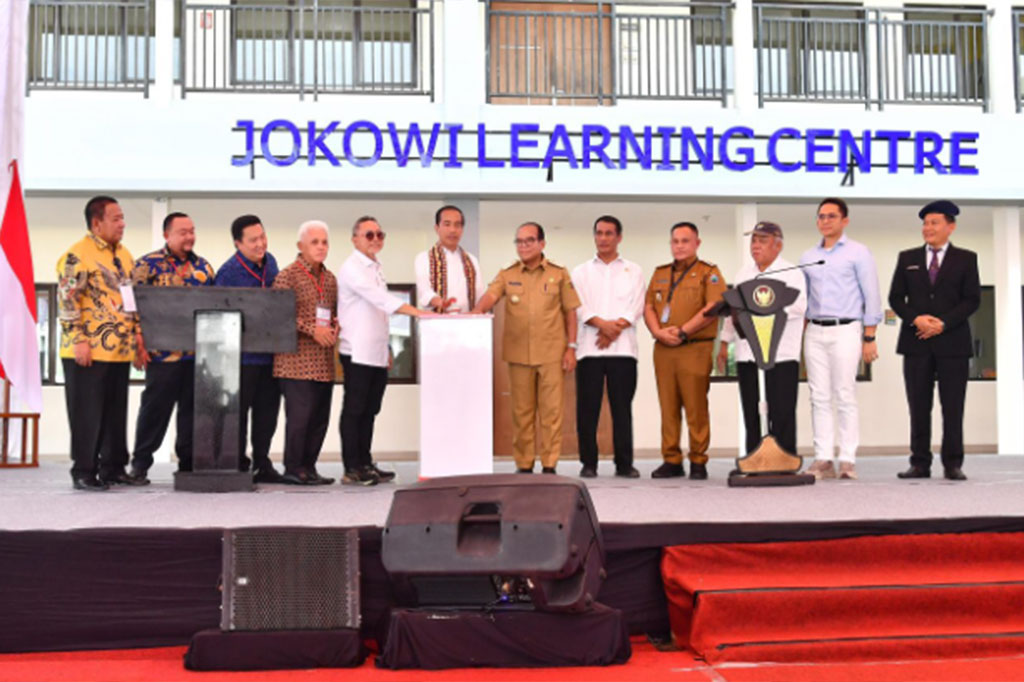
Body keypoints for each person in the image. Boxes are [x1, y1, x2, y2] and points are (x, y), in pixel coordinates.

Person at [472, 222, 580, 474]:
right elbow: (491, 295)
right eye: (519, 241)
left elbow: (570, 312)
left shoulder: (559, 274)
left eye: (529, 240)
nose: (523, 246)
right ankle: (524, 464)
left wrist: (571, 347)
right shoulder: (507, 274)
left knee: (552, 413)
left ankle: (550, 464)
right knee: (521, 413)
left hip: (552, 354)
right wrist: (478, 310)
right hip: (519, 354)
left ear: (542, 244)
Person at [889, 200, 980, 481]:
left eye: (934, 223)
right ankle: (919, 463)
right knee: (918, 405)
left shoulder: (966, 258)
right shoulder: (907, 258)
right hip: (916, 342)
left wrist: (942, 323)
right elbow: (895, 298)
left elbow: (972, 299)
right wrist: (916, 319)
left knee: (953, 406)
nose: (928, 228)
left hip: (953, 343)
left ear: (950, 227)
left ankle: (953, 463)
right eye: (925, 223)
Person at [338, 216, 430, 485]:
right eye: (369, 235)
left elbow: (378, 313)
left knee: (370, 410)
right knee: (355, 410)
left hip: (376, 350)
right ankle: (352, 467)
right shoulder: (352, 267)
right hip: (356, 351)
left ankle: (365, 462)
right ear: (355, 239)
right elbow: (382, 299)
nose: (376, 239)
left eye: (380, 234)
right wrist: (417, 312)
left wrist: (387, 346)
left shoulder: (376, 267)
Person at [56, 196, 140, 491]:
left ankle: (113, 468)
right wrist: (78, 339)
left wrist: (137, 341)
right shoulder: (77, 256)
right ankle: (83, 470)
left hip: (118, 351)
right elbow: (67, 302)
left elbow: (131, 302)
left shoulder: (125, 256)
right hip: (86, 350)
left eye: (122, 218)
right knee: (87, 413)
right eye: (115, 218)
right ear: (96, 223)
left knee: (115, 413)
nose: (122, 224)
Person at [129, 212, 215, 482]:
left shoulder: (204, 269)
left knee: (192, 412)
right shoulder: (147, 265)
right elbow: (132, 307)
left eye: (192, 231)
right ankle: (140, 464)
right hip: (161, 355)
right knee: (155, 411)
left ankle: (188, 464)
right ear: (167, 235)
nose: (189, 237)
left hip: (196, 355)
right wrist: (137, 340)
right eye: (182, 232)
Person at [800, 198, 882, 480]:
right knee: (818, 396)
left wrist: (869, 335)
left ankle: (847, 458)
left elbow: (871, 294)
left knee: (845, 394)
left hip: (847, 329)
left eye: (831, 216)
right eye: (821, 216)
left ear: (844, 220)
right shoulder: (807, 256)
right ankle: (823, 457)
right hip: (814, 330)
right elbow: (803, 298)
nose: (825, 221)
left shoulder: (858, 253)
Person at [644, 222, 727, 480]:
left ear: (697, 244)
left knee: (695, 407)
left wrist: (683, 332)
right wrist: (658, 332)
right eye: (675, 241)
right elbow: (647, 306)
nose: (679, 246)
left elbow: (713, 307)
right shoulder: (659, 273)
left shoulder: (709, 272)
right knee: (667, 407)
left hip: (694, 348)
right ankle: (671, 459)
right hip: (663, 349)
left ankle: (698, 460)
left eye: (685, 241)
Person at [717, 221, 807, 457]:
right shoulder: (744, 272)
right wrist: (725, 342)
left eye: (762, 240)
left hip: (781, 354)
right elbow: (734, 309)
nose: (756, 245)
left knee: (782, 410)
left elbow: (798, 307)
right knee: (751, 410)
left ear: (778, 245)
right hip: (747, 353)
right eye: (753, 240)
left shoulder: (792, 272)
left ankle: (785, 459)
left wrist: (763, 311)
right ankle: (754, 458)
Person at [571, 215, 645, 479]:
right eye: (599, 233)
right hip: (589, 350)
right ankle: (588, 463)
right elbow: (579, 306)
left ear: (619, 237)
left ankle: (624, 464)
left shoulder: (634, 270)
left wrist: (613, 330)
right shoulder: (580, 271)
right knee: (587, 410)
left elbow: (636, 306)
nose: (603, 238)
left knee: (622, 409)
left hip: (624, 350)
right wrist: (604, 325)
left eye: (609, 233)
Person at [214, 215, 285, 483]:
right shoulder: (228, 272)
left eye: (263, 237)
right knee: (239, 414)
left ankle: (262, 462)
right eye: (253, 240)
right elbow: (220, 315)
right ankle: (238, 464)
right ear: (238, 243)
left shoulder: (272, 263)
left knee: (267, 413)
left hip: (270, 356)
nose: (260, 244)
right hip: (240, 358)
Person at [272, 221, 339, 486]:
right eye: (315, 242)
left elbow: (333, 313)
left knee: (319, 419)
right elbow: (278, 316)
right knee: (299, 418)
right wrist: (312, 330)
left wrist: (334, 325)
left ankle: (310, 467)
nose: (321, 247)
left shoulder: (330, 279)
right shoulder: (287, 276)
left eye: (324, 242)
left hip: (323, 361)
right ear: (301, 246)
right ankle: (293, 468)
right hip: (296, 362)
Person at [414, 205, 485, 313]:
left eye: (457, 225)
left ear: (462, 229)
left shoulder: (471, 260)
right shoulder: (424, 258)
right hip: (436, 323)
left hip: (467, 323)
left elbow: (479, 295)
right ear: (437, 228)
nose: (452, 230)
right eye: (447, 224)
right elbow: (424, 291)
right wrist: (440, 302)